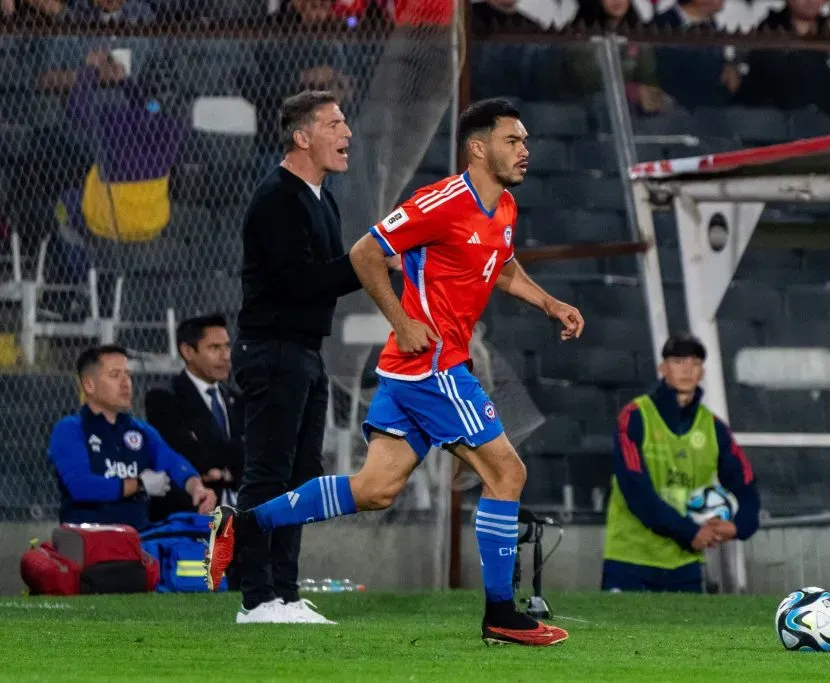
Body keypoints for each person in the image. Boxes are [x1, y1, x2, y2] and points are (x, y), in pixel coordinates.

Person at [206, 98, 584, 646]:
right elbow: (365, 252)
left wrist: (549, 304)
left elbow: (500, 264)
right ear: (478, 148)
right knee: (508, 474)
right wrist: (403, 320)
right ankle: (501, 614)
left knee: (376, 488)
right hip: (433, 362)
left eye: (525, 142)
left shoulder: (503, 209)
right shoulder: (443, 199)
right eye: (513, 141)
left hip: (411, 369)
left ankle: (242, 525)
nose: (525, 151)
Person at [227, 90, 363, 625]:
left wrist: (367, 263)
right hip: (272, 350)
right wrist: (369, 261)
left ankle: (284, 593)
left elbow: (327, 272)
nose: (346, 132)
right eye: (334, 123)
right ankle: (255, 598)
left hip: (305, 353)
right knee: (267, 475)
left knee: (301, 476)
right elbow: (303, 280)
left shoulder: (321, 197)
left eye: (345, 122)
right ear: (301, 136)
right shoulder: (278, 198)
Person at [602, 333, 760, 593]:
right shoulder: (635, 416)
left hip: (685, 567)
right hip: (630, 561)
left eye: (694, 362)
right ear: (662, 368)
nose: (687, 369)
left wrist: (739, 525)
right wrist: (689, 532)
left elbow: (745, 483)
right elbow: (635, 490)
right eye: (678, 361)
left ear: (702, 372)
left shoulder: (714, 427)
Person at [47, 345, 216, 531]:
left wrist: (196, 488)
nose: (126, 382)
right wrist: (140, 484)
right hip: (87, 540)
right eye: (115, 375)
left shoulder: (142, 431)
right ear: (89, 385)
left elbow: (173, 462)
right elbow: (81, 486)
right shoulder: (70, 429)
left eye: (127, 374)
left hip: (137, 539)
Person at [145, 314, 244, 523]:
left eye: (227, 347)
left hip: (238, 515)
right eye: (214, 348)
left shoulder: (237, 399)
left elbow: (254, 455)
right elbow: (188, 455)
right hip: (188, 517)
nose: (226, 356)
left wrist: (221, 470)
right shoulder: (164, 398)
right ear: (188, 351)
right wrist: (232, 462)